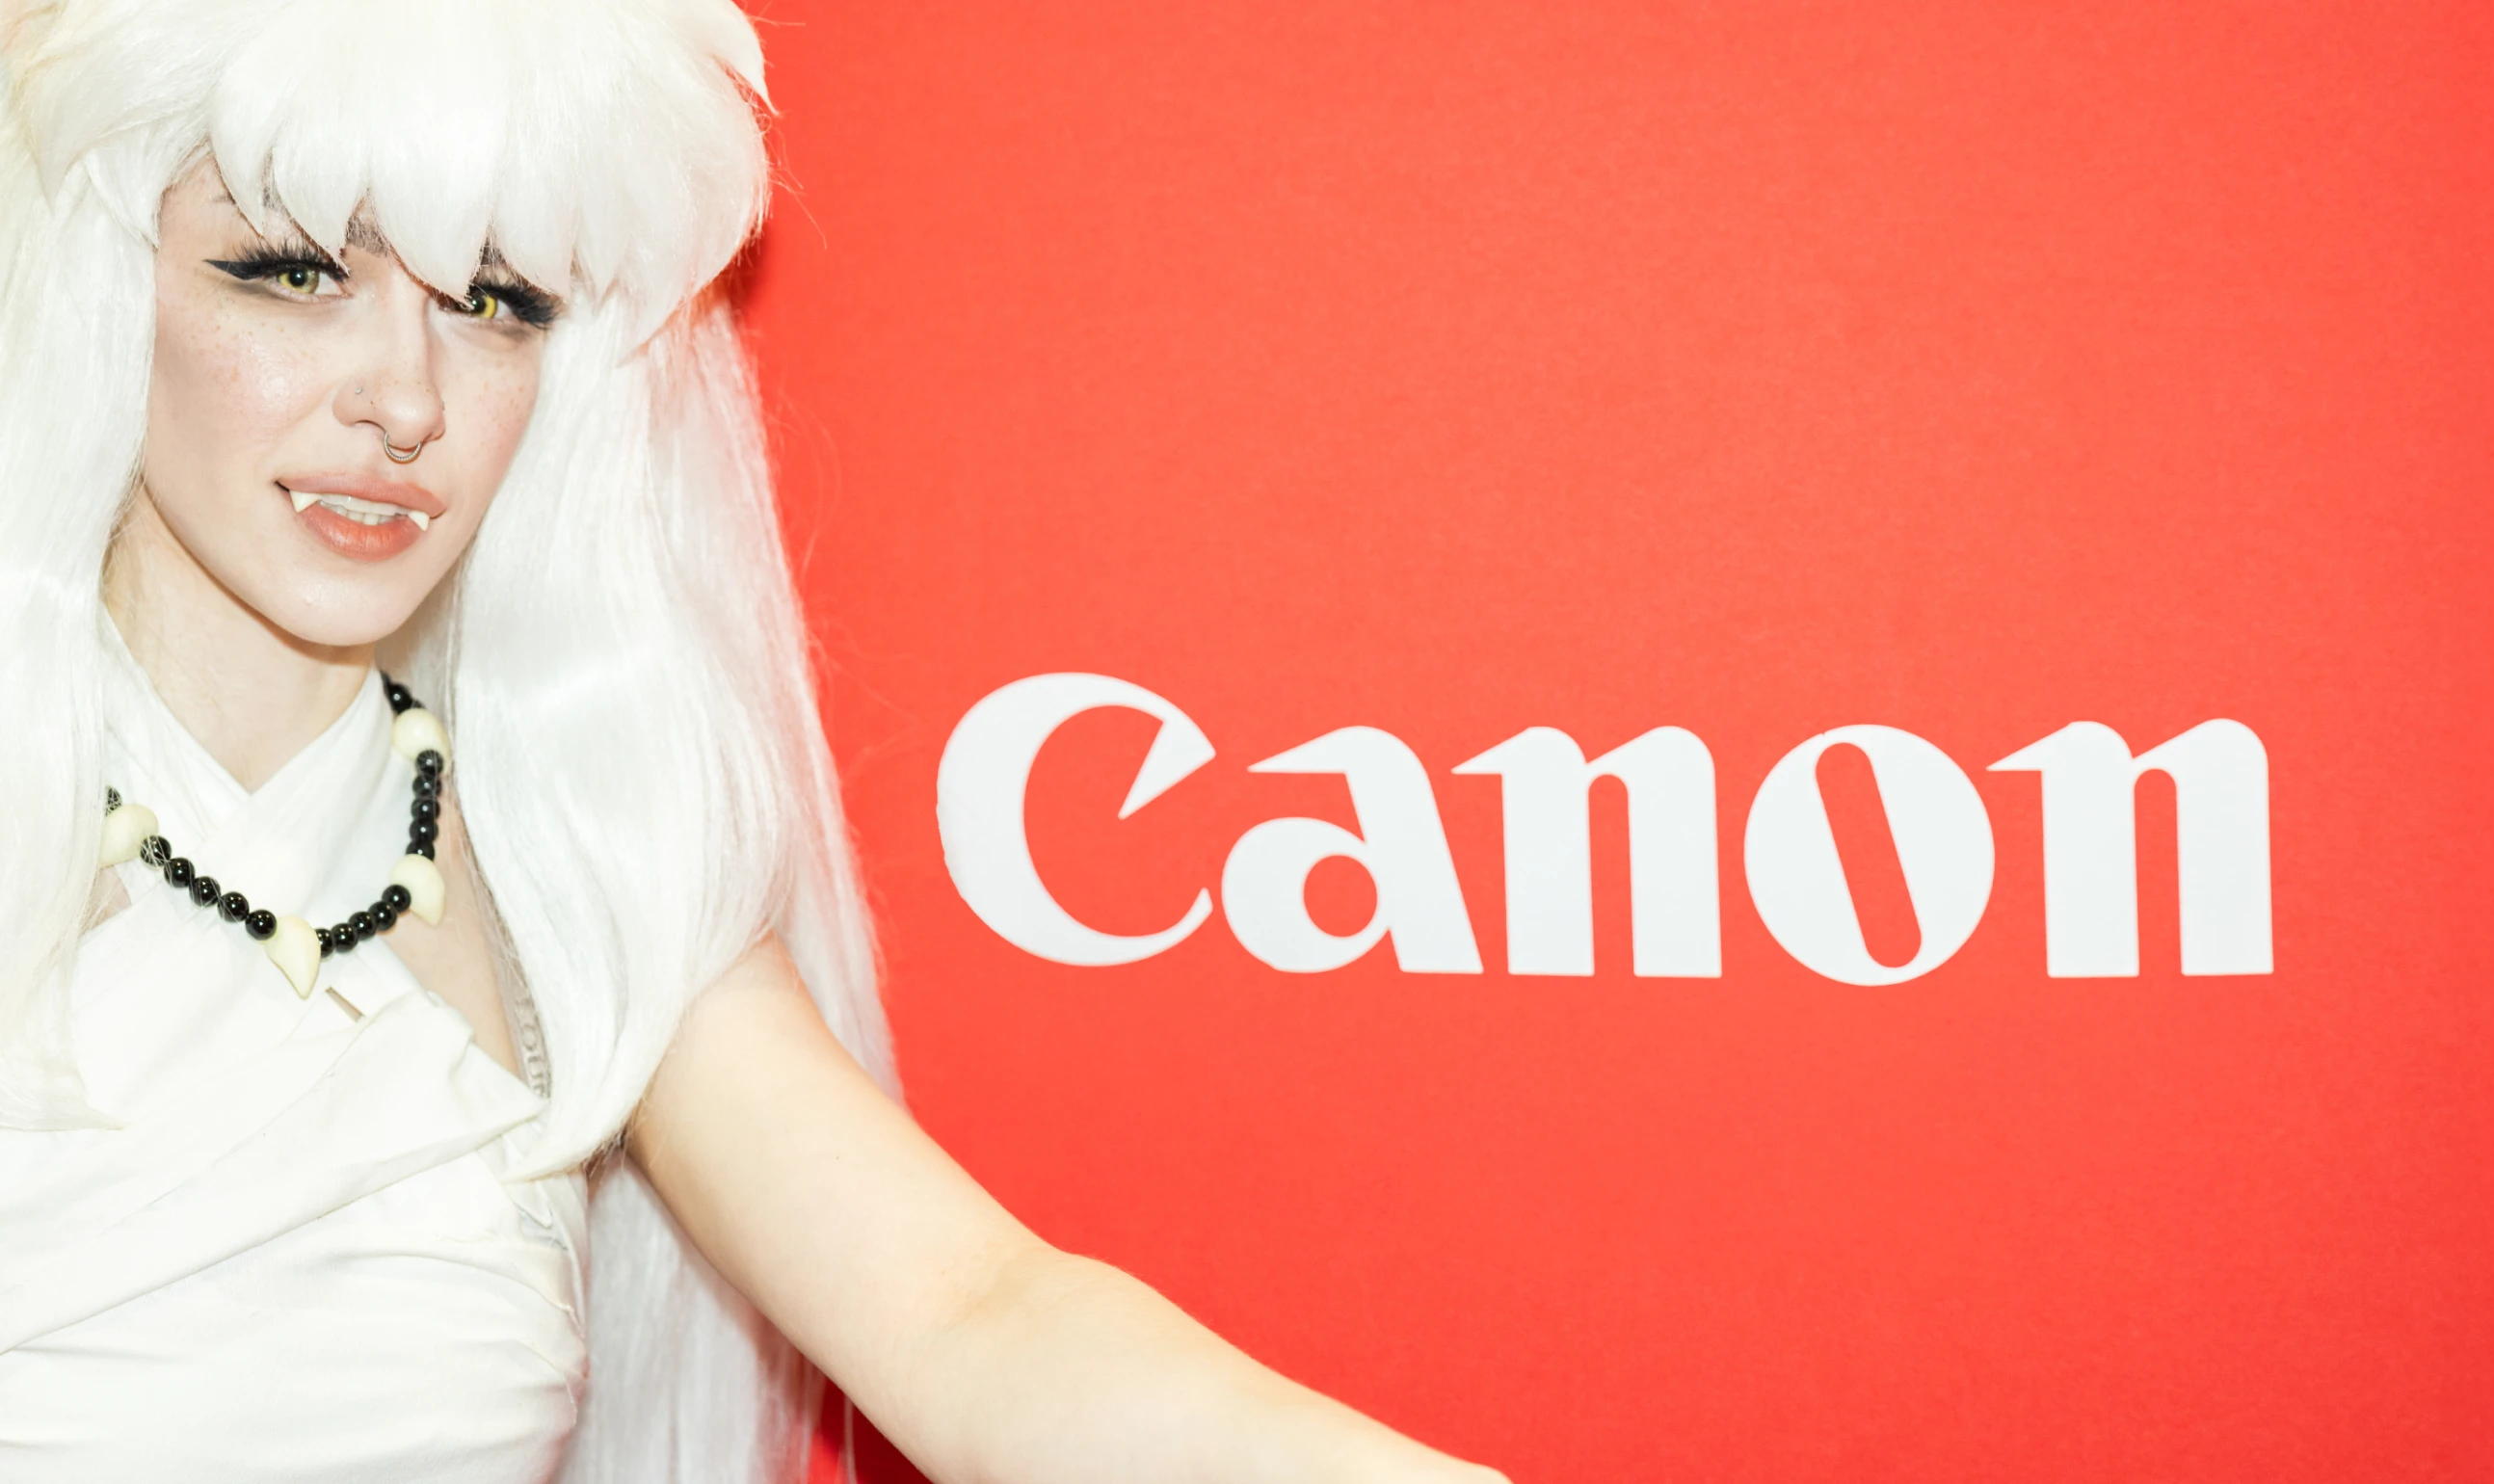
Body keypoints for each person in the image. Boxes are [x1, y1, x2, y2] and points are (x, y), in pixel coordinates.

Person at [0, 2, 1504, 1480]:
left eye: (497, 303)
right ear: (97, 285)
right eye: (291, 272)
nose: (407, 401)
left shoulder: (559, 866)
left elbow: (977, 1320)